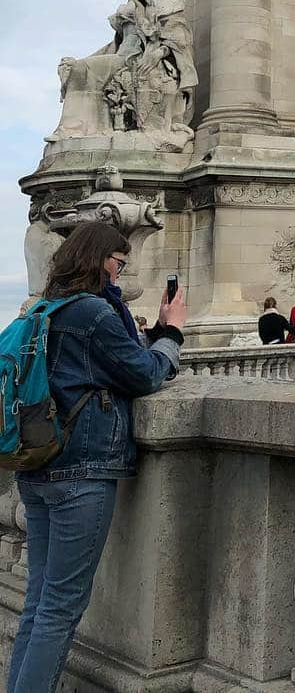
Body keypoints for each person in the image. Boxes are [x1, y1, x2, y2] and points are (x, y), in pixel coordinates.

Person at [9, 221, 185, 693]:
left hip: (38, 466)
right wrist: (173, 335)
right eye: (119, 262)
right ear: (99, 260)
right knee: (60, 607)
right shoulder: (93, 312)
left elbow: (100, 363)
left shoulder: (46, 308)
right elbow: (145, 375)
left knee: (39, 603)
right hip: (81, 471)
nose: (121, 273)